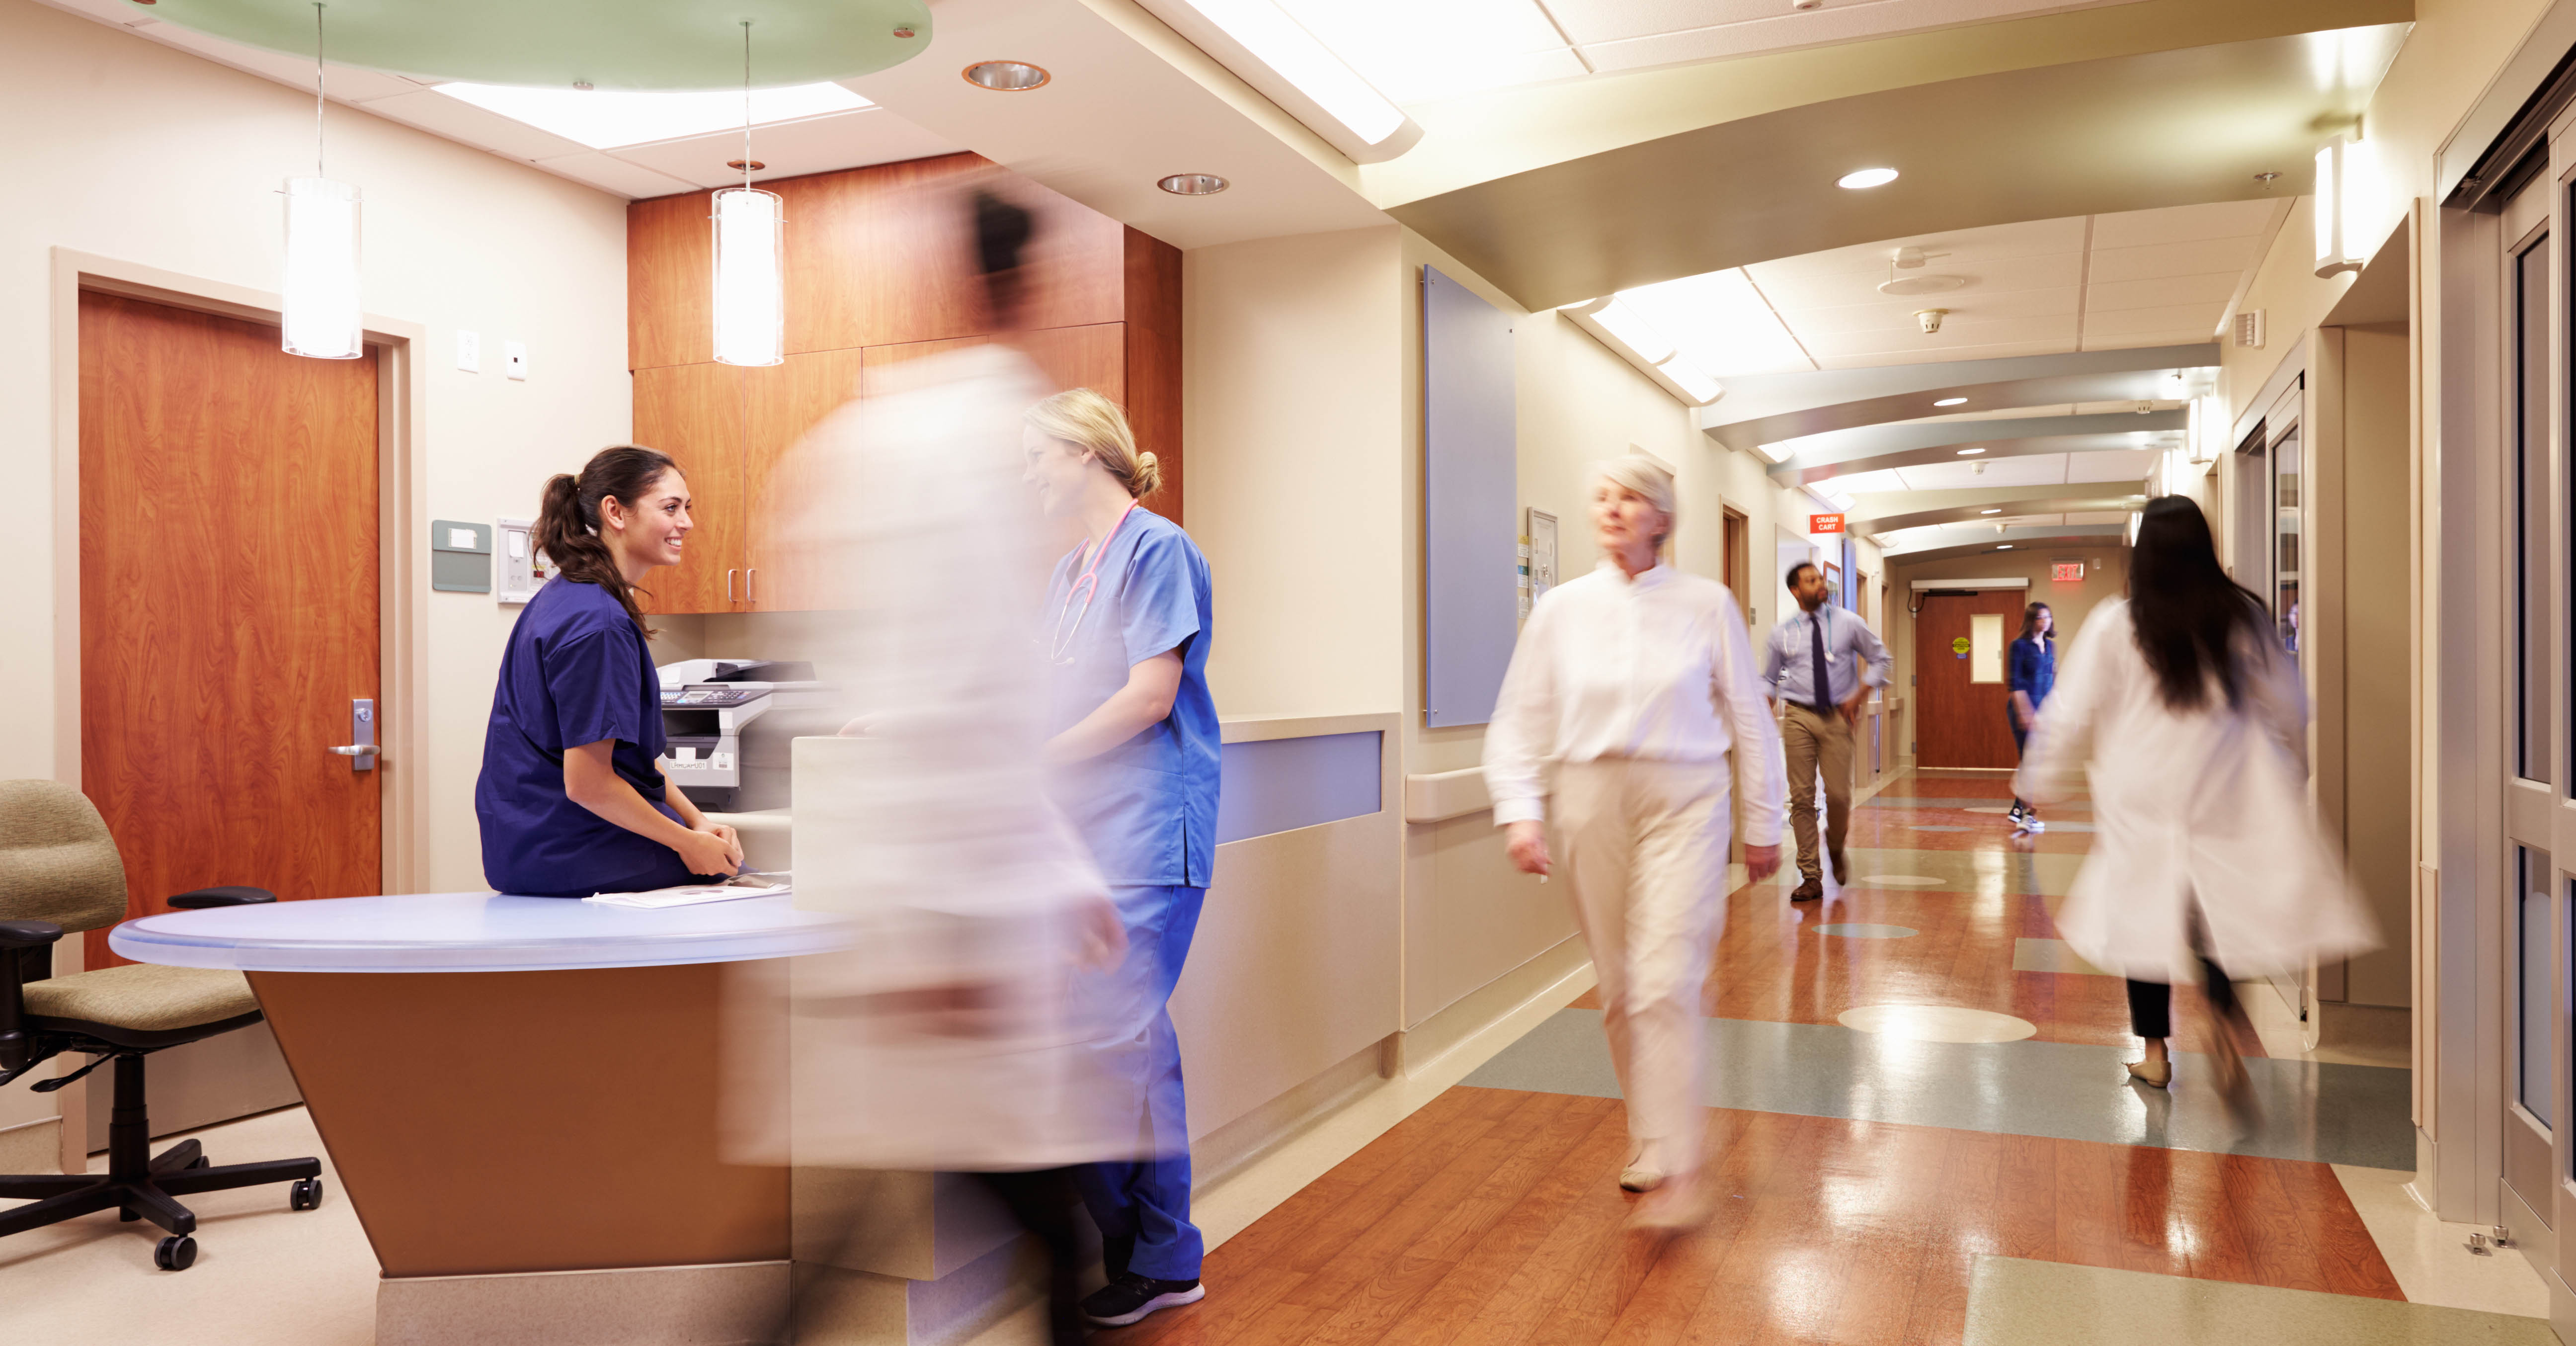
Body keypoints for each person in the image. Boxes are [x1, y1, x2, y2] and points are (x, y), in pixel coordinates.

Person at [1485, 453, 1787, 1231]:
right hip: (1590, 798)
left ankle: (1681, 1164)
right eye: (1603, 497)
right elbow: (1521, 717)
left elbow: (1751, 720)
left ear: (1662, 518)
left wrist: (1764, 822)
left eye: (1631, 498)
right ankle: (1651, 1135)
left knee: (1665, 978)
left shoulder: (1706, 603)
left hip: (1685, 795)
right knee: (1622, 987)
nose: (1613, 508)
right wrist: (1520, 811)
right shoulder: (1562, 609)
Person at [2014, 497, 2374, 1105]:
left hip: (2142, 788)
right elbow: (2288, 704)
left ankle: (2155, 1053)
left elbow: (2070, 711)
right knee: (2218, 905)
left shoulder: (2116, 622)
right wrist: (2292, 771)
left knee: (2142, 917)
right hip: (2223, 781)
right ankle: (2221, 1012)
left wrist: (2038, 778)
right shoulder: (2242, 615)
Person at [1024, 386, 1219, 1328]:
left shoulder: (1158, 549)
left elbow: (1150, 695)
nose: (1026, 473)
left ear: (1082, 451)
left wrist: (1038, 761)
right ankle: (1149, 1249)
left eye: (1035, 454)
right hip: (1082, 839)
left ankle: (1159, 1255)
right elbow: (1025, 692)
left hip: (1146, 829)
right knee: (1111, 1044)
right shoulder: (1069, 571)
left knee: (1111, 1044)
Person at [475, 446, 741, 898]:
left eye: (687, 508)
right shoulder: (598, 624)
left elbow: (628, 759)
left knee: (726, 862)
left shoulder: (567, 598)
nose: (687, 523)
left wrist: (697, 822)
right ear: (615, 512)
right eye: (671, 508)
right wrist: (688, 845)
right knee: (745, 885)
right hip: (576, 849)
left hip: (530, 844)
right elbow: (589, 784)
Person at [1759, 561, 1891, 901]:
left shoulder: (1849, 623)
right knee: (1802, 799)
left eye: (1819, 578)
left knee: (1839, 797)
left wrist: (1860, 694)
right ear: (1795, 590)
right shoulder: (1782, 632)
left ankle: (1834, 845)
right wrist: (1762, 706)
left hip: (1837, 717)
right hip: (1798, 717)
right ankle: (1811, 876)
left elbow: (1881, 659)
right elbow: (1769, 679)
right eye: (1810, 580)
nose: (1820, 584)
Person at [2006, 602, 2056, 833]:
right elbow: (2015, 683)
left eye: (2048, 617)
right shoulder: (2019, 646)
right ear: (2031, 620)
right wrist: (2026, 713)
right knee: (2029, 761)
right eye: (2039, 618)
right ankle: (2027, 814)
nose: (2044, 622)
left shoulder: (2050, 646)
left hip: (2044, 711)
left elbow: (2051, 681)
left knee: (2035, 762)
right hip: (2023, 710)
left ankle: (2018, 810)